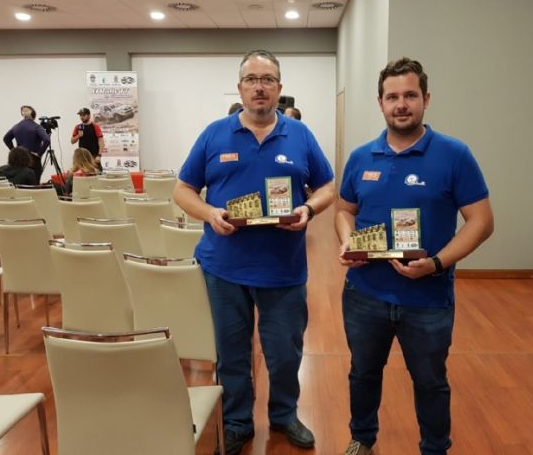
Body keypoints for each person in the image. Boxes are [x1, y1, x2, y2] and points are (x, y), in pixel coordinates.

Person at [173, 49, 335, 455]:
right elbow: (182, 189)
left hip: (283, 269)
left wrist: (308, 208)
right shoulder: (214, 134)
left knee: (284, 353)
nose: (259, 87)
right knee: (231, 354)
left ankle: (284, 415)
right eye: (251, 79)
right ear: (240, 87)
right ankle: (237, 421)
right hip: (224, 268)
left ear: (280, 88)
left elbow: (329, 186)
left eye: (268, 79)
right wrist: (209, 213)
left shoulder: (301, 135)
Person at [335, 58, 494, 455]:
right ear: (380, 103)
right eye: (392, 97)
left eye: (410, 95)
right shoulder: (360, 157)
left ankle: (435, 448)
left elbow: (481, 221)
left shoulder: (455, 154)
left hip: (428, 297)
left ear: (426, 99)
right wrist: (347, 242)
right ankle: (362, 439)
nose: (401, 104)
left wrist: (438, 263)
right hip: (364, 293)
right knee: (363, 373)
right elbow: (343, 210)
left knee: (430, 381)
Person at [3, 105, 50, 184]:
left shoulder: (16, 127)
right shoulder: (36, 127)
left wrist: (14, 150)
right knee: (33, 185)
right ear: (34, 115)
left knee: (19, 185)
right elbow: (46, 140)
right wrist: (39, 154)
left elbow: (6, 139)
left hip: (18, 160)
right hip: (33, 160)